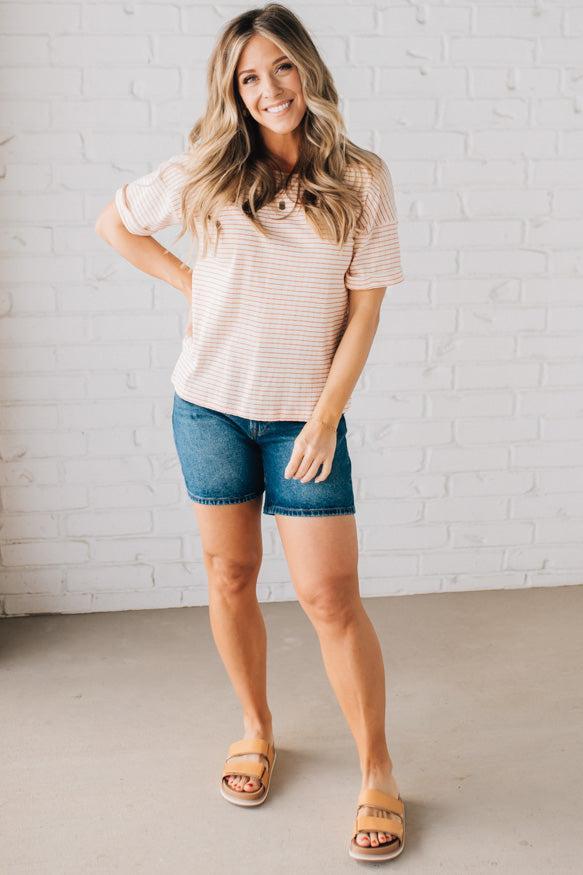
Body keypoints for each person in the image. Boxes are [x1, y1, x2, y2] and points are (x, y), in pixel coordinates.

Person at [95, 2, 405, 863]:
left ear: (307, 68)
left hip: (304, 416)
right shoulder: (208, 167)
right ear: (231, 89)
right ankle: (255, 727)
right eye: (248, 77)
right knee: (229, 573)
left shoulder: (362, 177)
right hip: (208, 407)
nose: (269, 88)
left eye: (281, 67)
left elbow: (364, 310)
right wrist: (185, 280)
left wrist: (325, 416)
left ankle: (376, 768)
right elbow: (115, 222)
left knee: (329, 598)